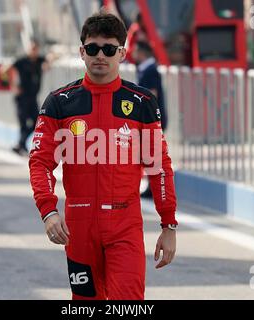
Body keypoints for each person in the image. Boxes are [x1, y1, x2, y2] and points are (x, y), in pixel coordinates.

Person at [29, 12, 178, 300]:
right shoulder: (59, 103)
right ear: (81, 51)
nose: (101, 55)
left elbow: (159, 167)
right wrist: (48, 211)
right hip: (79, 230)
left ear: (122, 53)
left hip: (125, 227)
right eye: (93, 48)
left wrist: (168, 224)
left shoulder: (142, 103)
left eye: (109, 49)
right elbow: (40, 163)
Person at [134, 40, 168, 198]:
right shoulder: (146, 69)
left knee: (152, 155)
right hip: (150, 119)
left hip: (152, 119)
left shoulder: (150, 70)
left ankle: (156, 187)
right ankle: (152, 186)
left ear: (142, 53)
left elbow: (151, 94)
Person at [4, 39, 49, 155]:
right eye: (32, 48)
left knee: (37, 122)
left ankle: (20, 145)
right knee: (23, 124)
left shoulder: (40, 60)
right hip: (22, 97)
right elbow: (4, 69)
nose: (33, 51)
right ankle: (21, 146)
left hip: (33, 97)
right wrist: (12, 85)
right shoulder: (21, 61)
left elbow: (50, 61)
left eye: (35, 48)